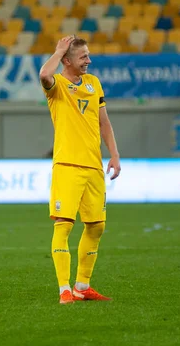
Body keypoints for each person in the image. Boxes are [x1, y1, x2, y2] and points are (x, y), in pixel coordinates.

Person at [39, 35, 121, 305]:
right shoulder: (57, 86)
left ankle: (82, 286)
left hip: (93, 167)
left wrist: (114, 154)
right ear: (67, 60)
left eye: (88, 55)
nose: (89, 60)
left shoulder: (93, 83)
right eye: (83, 56)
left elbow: (104, 122)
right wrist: (58, 49)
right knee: (63, 225)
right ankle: (64, 288)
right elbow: (43, 74)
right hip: (67, 166)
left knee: (96, 226)